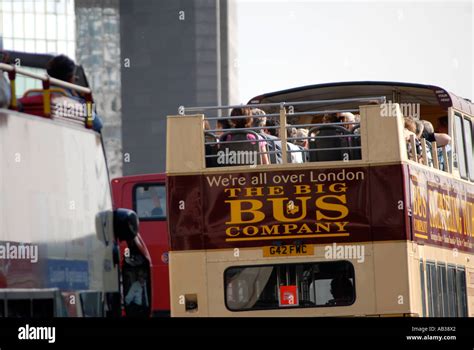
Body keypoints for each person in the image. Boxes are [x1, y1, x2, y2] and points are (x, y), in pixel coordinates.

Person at [45, 55, 103, 132]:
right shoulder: (77, 104)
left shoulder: (31, 95)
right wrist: (83, 99)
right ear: (70, 79)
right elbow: (97, 124)